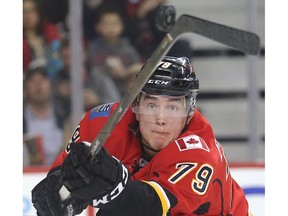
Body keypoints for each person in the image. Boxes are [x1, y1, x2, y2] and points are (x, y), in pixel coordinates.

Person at [31, 56, 252, 215]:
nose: (161, 118)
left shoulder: (200, 151)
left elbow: (150, 207)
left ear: (190, 110)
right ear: (136, 105)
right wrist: (57, 190)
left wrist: (117, 187)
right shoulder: (104, 124)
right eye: (151, 105)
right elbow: (66, 169)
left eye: (173, 107)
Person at [23, 67, 64, 166]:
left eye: (42, 80)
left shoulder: (63, 114)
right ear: (25, 88)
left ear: (50, 85)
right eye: (33, 81)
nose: (39, 85)